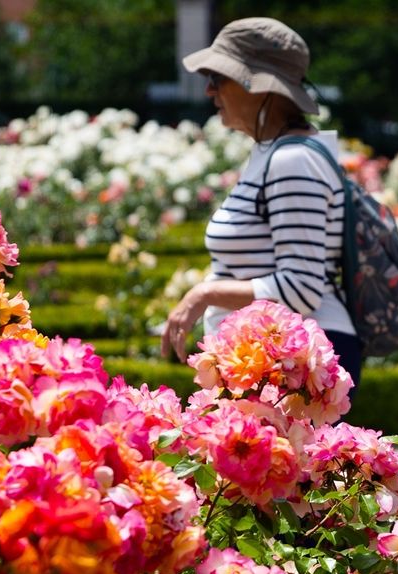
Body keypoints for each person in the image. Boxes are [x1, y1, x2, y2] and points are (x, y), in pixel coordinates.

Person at [162, 17, 361, 389]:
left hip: (298, 368)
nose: (208, 90)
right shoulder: (274, 153)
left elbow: (300, 288)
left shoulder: (293, 160)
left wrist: (204, 294)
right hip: (279, 362)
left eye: (218, 77)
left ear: (259, 86)